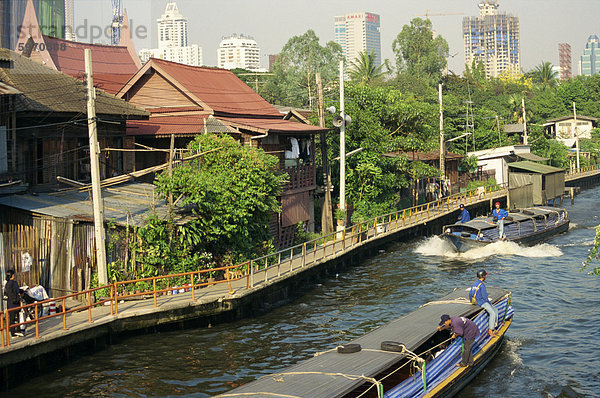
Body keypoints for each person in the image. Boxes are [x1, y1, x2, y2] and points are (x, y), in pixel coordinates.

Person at [469, 269, 498, 337]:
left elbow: (470, 294)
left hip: (476, 302)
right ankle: (490, 330)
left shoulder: (474, 284)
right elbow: (485, 297)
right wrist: (490, 304)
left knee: (495, 310)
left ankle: (494, 327)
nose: (486, 277)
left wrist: (472, 302)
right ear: (483, 276)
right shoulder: (482, 285)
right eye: (485, 275)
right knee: (493, 313)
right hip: (481, 303)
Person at [5, 269, 24, 337]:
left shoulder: (7, 284)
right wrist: (22, 291)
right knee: (18, 316)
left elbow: (6, 293)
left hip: (10, 303)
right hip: (15, 302)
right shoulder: (14, 283)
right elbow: (17, 291)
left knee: (12, 318)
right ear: (12, 275)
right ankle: (18, 330)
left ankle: (13, 333)